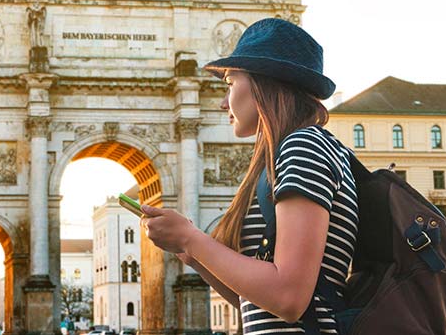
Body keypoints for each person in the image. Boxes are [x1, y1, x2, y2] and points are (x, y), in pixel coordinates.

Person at [141, 18, 358, 334]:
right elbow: (255, 302)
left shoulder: (303, 146)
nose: (222, 102)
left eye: (229, 83)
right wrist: (193, 255)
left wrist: (193, 238)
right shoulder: (288, 155)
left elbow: (289, 298)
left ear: (263, 83)